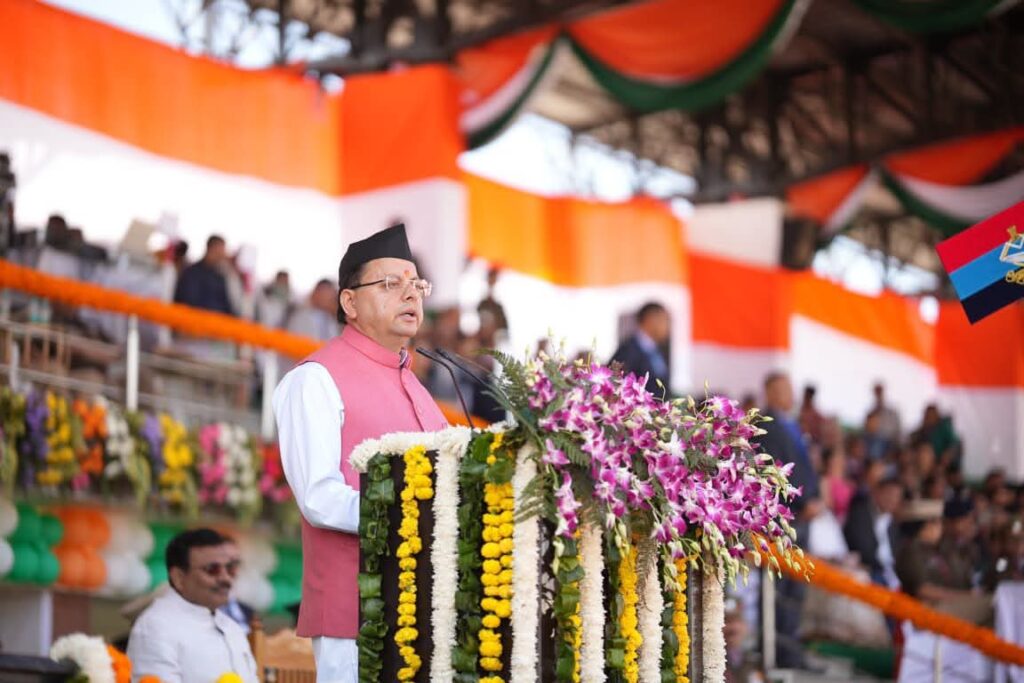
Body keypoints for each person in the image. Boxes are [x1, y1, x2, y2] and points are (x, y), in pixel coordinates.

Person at [273, 224, 447, 683]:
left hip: (427, 615)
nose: (410, 294)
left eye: (416, 285)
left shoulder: (419, 387)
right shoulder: (315, 379)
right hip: (356, 617)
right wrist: (409, 514)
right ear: (349, 302)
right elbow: (319, 496)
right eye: (391, 283)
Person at [127, 528, 258, 683]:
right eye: (212, 570)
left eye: (230, 568)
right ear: (179, 578)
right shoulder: (156, 627)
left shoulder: (231, 628)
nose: (225, 578)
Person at [754, 371, 821, 670]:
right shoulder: (767, 425)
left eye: (790, 388)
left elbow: (804, 469)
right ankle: (775, 650)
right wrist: (802, 504)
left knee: (795, 589)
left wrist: (816, 498)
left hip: (802, 518)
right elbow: (775, 472)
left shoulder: (791, 425)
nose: (789, 394)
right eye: (783, 389)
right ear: (769, 392)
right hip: (784, 519)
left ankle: (790, 648)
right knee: (779, 590)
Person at [844, 476, 903, 588]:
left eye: (896, 497)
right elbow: (861, 547)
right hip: (868, 569)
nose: (892, 499)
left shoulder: (892, 524)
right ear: (877, 493)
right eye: (889, 494)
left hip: (889, 574)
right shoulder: (861, 513)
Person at [610, 302, 671, 396]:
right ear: (650, 320)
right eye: (664, 321)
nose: (667, 327)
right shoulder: (628, 350)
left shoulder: (656, 349)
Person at [173, 235, 235, 316]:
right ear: (210, 249)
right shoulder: (192, 273)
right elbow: (188, 302)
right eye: (218, 252)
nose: (221, 256)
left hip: (216, 321)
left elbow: (227, 307)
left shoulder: (219, 277)